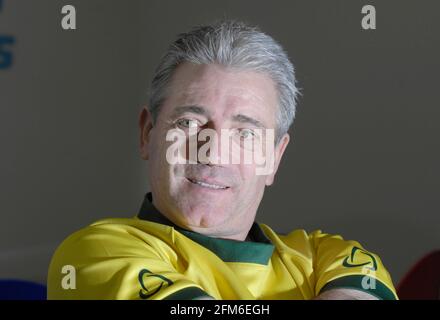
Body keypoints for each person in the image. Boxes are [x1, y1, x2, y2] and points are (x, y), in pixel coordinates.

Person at [47, 20, 398, 300]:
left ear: (274, 157)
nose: (213, 151)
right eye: (189, 123)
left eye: (245, 133)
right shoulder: (97, 255)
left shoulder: (327, 257)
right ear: (147, 133)